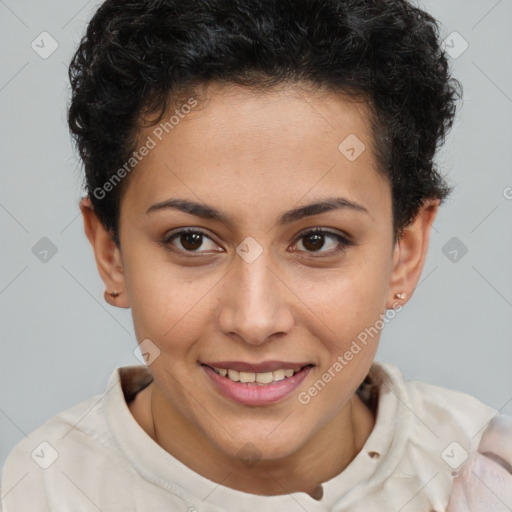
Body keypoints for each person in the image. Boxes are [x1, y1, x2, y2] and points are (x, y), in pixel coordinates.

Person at [1, 0, 511, 510]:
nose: (254, 320)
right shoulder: (40, 492)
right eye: (192, 240)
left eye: (317, 241)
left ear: (406, 251)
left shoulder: (482, 474)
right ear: (111, 253)